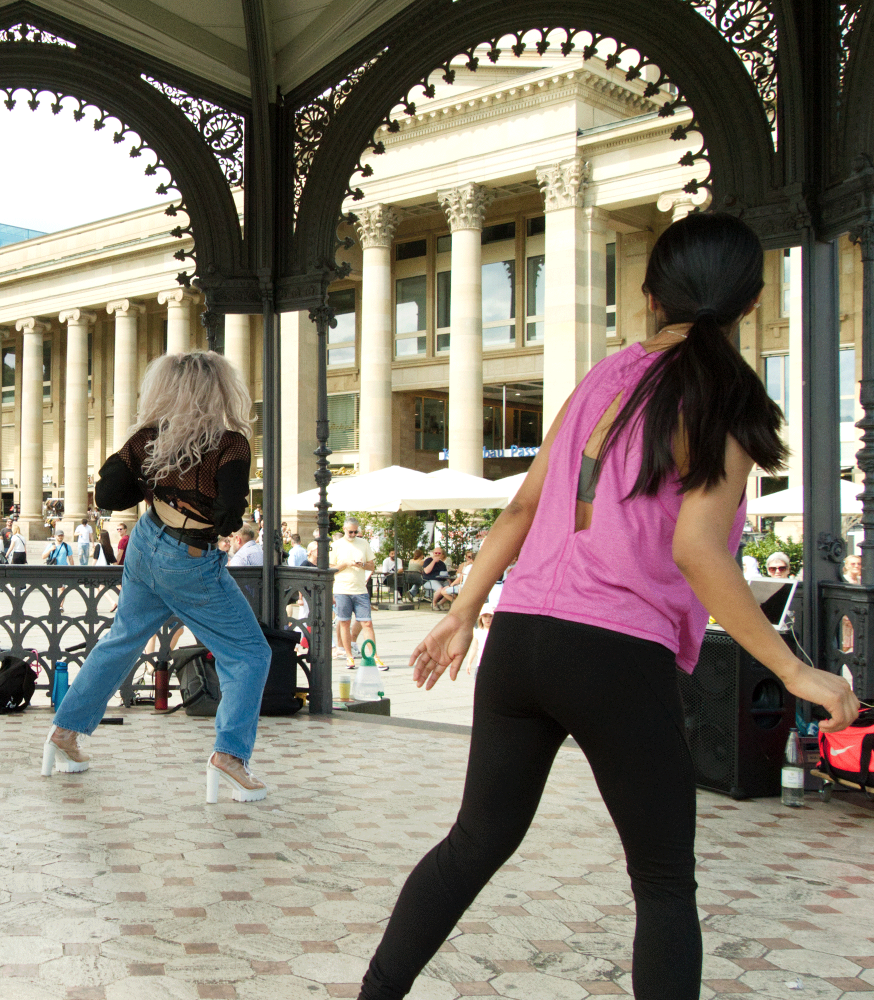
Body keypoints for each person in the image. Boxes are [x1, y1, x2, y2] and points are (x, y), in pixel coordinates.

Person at [357, 213, 859, 1000]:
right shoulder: (724, 398)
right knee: (663, 884)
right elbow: (699, 551)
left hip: (521, 641)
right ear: (746, 303)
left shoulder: (601, 379)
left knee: (474, 844)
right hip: (615, 653)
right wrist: (794, 668)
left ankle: (375, 994)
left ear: (651, 296)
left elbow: (522, 507)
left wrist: (463, 608)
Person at [41, 351, 271, 803]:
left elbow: (107, 494)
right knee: (248, 653)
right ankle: (230, 755)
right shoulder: (231, 444)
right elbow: (229, 516)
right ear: (220, 390)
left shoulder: (149, 439)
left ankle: (65, 732)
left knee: (122, 639)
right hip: (188, 557)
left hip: (144, 544)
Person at [331, 520, 376, 668]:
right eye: (350, 532)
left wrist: (362, 564)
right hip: (342, 589)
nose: (353, 534)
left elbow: (372, 565)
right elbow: (331, 569)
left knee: (367, 623)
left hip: (360, 589)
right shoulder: (336, 545)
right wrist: (346, 564)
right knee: (344, 622)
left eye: (355, 532)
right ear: (344, 529)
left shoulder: (363, 543)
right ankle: (348, 656)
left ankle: (374, 655)